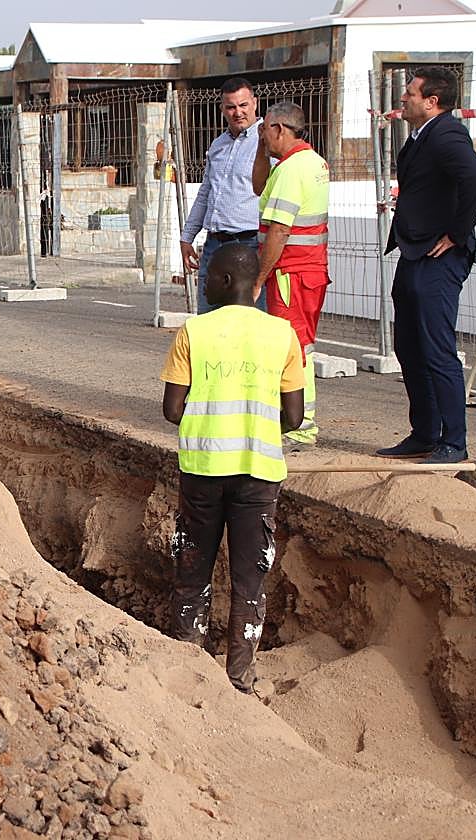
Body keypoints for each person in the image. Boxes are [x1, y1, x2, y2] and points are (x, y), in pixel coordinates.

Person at [160, 243, 305, 694]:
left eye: (207, 276)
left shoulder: (194, 331)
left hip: (202, 471)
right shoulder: (282, 334)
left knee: (192, 570)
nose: (202, 283)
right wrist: (255, 428)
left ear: (225, 281)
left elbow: (172, 409)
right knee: (249, 580)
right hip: (258, 475)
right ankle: (239, 679)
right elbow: (294, 417)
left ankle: (188, 666)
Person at [377, 66, 476, 464]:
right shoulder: (422, 135)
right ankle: (424, 433)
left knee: (437, 349)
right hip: (415, 252)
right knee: (408, 345)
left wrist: (457, 234)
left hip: (440, 257)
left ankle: (453, 442)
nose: (403, 99)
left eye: (410, 93)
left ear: (432, 101)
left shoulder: (446, 133)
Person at [252, 101, 329, 446]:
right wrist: (261, 147)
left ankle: (300, 425)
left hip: (290, 272)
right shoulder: (312, 162)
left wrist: (258, 279)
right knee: (301, 345)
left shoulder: (290, 170)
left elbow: (279, 230)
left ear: (279, 129)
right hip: (309, 270)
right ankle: (297, 419)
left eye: (265, 130)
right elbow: (258, 185)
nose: (263, 136)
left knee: (292, 348)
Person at [180, 77, 267, 314]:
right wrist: (187, 237)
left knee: (250, 320)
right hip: (214, 244)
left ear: (255, 103)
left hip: (250, 244)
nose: (238, 112)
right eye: (231, 107)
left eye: (243, 105)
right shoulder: (218, 144)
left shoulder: (267, 142)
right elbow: (205, 193)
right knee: (208, 317)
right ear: (222, 109)